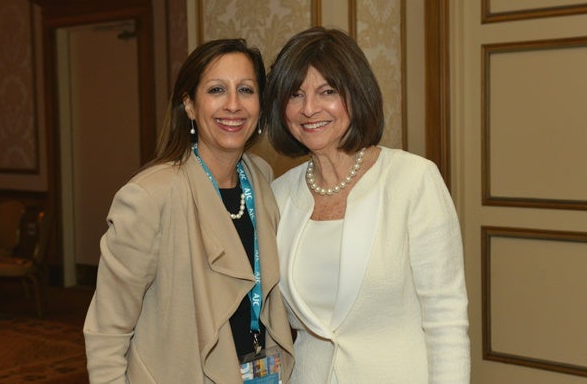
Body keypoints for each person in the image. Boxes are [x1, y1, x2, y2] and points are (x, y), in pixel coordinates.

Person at [265, 27, 470, 383]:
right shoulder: (278, 195)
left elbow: (446, 319)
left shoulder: (413, 179)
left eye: (327, 91)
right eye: (295, 94)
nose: (309, 108)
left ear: (356, 94)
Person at [84, 38, 294, 383]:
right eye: (216, 90)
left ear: (260, 105)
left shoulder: (261, 177)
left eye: (245, 89)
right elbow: (107, 330)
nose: (233, 105)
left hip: (260, 373)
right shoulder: (150, 196)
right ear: (190, 105)